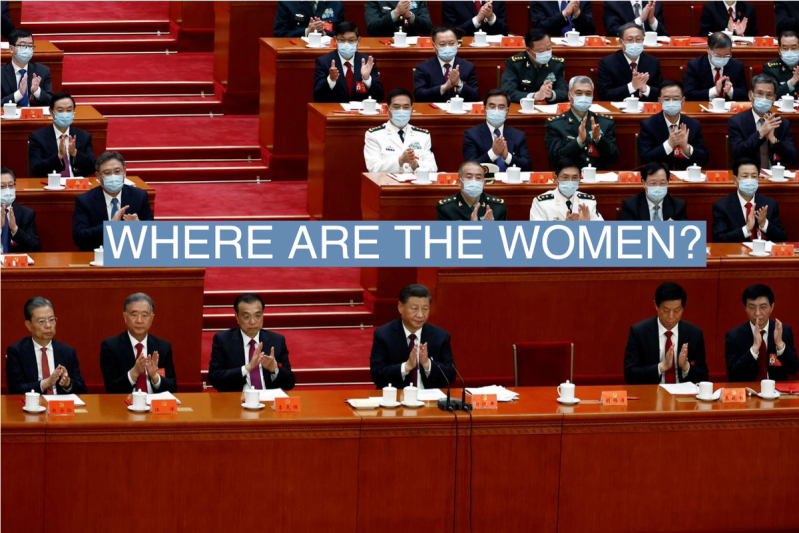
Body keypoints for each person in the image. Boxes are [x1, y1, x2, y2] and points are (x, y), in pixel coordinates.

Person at [370, 284, 456, 389]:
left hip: (429, 401)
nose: (420, 315)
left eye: (425, 309)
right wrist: (406, 367)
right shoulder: (384, 334)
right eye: (414, 308)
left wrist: (427, 364)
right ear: (400, 307)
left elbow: (451, 375)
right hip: (396, 399)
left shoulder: (440, 336)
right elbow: (377, 375)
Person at [624, 281, 709, 385]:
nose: (671, 316)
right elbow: (630, 374)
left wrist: (686, 366)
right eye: (666, 310)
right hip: (652, 394)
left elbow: (704, 376)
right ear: (656, 306)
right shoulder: (639, 332)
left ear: (683, 308)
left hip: (683, 396)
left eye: (677, 310)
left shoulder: (694, 333)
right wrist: (662, 366)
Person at [208, 293, 295, 392]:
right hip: (236, 400)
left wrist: (274, 368)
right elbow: (214, 378)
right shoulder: (223, 340)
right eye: (246, 317)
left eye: (258, 316)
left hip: (268, 400)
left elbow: (290, 383)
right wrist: (247, 368)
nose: (253, 321)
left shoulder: (276, 340)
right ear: (237, 317)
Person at [72, 151, 154, 251]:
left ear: (124, 171)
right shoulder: (85, 200)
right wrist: (110, 226)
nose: (113, 177)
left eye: (117, 171)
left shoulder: (139, 196)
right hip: (98, 257)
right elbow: (79, 238)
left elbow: (152, 235)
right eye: (107, 173)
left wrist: (138, 227)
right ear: (98, 176)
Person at [5, 296, 87, 395]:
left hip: (61, 407)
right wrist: (46, 383)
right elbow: (16, 389)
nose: (48, 325)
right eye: (41, 321)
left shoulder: (68, 351)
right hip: (32, 406)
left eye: (51, 319)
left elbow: (82, 390)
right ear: (29, 325)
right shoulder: (17, 351)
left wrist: (67, 383)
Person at [99, 293, 178, 394]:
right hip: (122, 406)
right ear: (125, 317)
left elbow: (172, 387)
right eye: (134, 315)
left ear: (152, 318)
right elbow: (112, 388)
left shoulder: (163, 346)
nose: (139, 321)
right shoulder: (110, 346)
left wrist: (155, 377)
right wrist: (134, 373)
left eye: (144, 315)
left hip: (155, 407)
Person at [726, 284, 799, 382]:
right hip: (748, 392)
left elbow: (793, 369)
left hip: (777, 392)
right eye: (752, 307)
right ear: (745, 308)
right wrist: (754, 349)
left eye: (763, 307)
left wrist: (780, 345)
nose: (757, 313)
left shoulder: (783, 330)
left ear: (772, 307)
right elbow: (733, 374)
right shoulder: (734, 336)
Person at [544, 76, 619, 169]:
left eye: (588, 93)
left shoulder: (605, 122)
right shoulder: (555, 124)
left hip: (596, 177)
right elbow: (556, 157)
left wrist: (599, 139)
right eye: (578, 93)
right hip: (570, 177)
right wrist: (579, 141)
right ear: (569, 95)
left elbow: (612, 158)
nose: (584, 97)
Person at [728, 74, 799, 169]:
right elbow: (738, 153)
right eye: (760, 93)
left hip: (775, 177)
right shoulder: (736, 121)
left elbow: (793, 159)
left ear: (774, 98)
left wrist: (774, 140)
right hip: (749, 175)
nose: (764, 98)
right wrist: (760, 133)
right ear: (750, 95)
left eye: (769, 95)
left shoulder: (782, 123)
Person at [637, 80, 709, 170]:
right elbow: (645, 158)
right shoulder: (648, 125)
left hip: (686, 177)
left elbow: (704, 159)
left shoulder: (693, 125)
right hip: (660, 176)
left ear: (682, 101)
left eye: (675, 99)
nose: (671, 103)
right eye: (666, 99)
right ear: (660, 101)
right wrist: (669, 144)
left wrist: (686, 148)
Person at [712, 158, 787, 242]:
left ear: (758, 179)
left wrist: (764, 224)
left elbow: (782, 238)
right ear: (735, 180)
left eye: (754, 176)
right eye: (745, 176)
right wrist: (746, 229)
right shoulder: (722, 206)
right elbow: (718, 240)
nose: (750, 180)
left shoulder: (769, 204)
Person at [364, 88, 437, 172]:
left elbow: (433, 168)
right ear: (387, 110)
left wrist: (416, 164)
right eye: (396, 107)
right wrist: (400, 161)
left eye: (406, 107)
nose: (401, 111)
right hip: (387, 183)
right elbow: (373, 168)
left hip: (415, 183)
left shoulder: (423, 135)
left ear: (412, 110)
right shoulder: (374, 135)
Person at [28, 92, 96, 178]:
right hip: (51, 185)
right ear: (51, 112)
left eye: (69, 110)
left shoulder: (83, 136)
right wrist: (58, 156)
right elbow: (36, 169)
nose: (65, 114)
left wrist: (75, 153)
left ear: (74, 112)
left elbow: (93, 166)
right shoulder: (38, 137)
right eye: (60, 110)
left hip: (76, 185)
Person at [313, 22, 384, 103]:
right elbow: (317, 97)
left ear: (358, 40)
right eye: (342, 40)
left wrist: (367, 78)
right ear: (335, 40)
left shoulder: (368, 62)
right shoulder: (324, 62)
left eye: (351, 40)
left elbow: (379, 96)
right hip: (335, 112)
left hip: (360, 113)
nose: (346, 44)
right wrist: (331, 80)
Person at [462, 89, 531, 170]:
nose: (496, 110)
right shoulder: (471, 135)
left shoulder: (519, 136)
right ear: (485, 110)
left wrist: (507, 157)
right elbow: (470, 168)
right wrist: (493, 153)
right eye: (492, 106)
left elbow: (527, 167)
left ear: (507, 111)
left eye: (501, 107)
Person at [597, 23, 663, 102]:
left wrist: (646, 89)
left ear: (643, 40)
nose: (634, 43)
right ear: (621, 42)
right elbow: (604, 94)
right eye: (630, 40)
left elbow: (662, 92)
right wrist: (632, 86)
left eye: (638, 39)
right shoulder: (608, 63)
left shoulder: (652, 62)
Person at [413, 25, 479, 102]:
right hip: (434, 112)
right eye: (442, 44)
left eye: (451, 43)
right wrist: (444, 88)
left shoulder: (468, 66)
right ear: (434, 46)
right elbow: (419, 96)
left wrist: (459, 84)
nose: (447, 47)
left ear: (457, 43)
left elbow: (475, 97)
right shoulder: (423, 67)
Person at [501, 28, 566, 104]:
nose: (546, 53)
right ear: (529, 50)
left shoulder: (556, 64)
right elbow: (508, 92)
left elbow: (564, 91)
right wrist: (534, 96)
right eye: (541, 51)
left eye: (548, 48)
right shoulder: (515, 63)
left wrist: (550, 94)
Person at [530, 157, 603, 220]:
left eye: (574, 177)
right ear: (556, 178)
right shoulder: (541, 203)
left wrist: (587, 225)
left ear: (580, 179)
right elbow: (538, 233)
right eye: (565, 177)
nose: (570, 181)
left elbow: (601, 232)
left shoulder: (588, 202)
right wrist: (565, 226)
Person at [683, 32, 747, 101]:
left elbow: (745, 93)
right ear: (708, 49)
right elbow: (689, 94)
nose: (722, 58)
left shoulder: (737, 66)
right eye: (718, 55)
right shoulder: (694, 66)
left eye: (726, 55)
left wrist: (730, 90)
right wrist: (714, 91)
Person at [437, 160, 507, 220]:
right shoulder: (446, 208)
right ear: (459, 182)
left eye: (478, 177)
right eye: (469, 177)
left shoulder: (497, 207)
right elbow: (444, 235)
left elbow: (504, 235)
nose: (474, 181)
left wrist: (490, 228)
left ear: (484, 183)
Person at [0, 29, 53, 107]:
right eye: (22, 45)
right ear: (11, 49)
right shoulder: (1, 73)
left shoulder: (43, 71)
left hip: (33, 116)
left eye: (30, 46)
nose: (27, 49)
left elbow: (52, 101)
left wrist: (37, 91)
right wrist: (19, 94)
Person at [620, 161, 688, 220]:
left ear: (667, 183)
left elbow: (684, 233)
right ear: (644, 183)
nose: (658, 187)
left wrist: (674, 229)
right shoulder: (630, 206)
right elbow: (627, 233)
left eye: (662, 183)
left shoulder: (678, 206)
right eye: (653, 183)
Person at [0, 166, 39, 252]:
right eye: (2, 186)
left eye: (10, 185)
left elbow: (35, 248)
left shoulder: (27, 214)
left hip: (15, 263)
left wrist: (15, 229)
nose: (7, 190)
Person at [273, 0, 344, 37]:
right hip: (297, 51)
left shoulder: (335, 2)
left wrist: (324, 33)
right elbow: (280, 33)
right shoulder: (287, 2)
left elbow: (341, 33)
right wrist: (307, 31)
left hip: (328, 53)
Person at [529, 0, 595, 37]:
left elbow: (591, 30)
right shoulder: (540, 1)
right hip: (551, 46)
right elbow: (539, 27)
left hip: (579, 47)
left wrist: (577, 13)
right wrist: (564, 14)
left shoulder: (582, 1)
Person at [763, 31, 799, 99]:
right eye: (785, 48)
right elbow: (770, 95)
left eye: (793, 48)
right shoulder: (770, 68)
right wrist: (792, 82)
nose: (789, 52)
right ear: (779, 51)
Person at [603, 0, 667, 38]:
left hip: (651, 51)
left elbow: (663, 34)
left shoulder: (654, 2)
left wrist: (652, 20)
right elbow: (613, 31)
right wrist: (640, 20)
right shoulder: (613, 3)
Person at [364, 0, 433, 36]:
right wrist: (395, 13)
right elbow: (372, 27)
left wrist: (411, 17)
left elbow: (427, 28)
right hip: (384, 44)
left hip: (411, 46)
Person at [442, 0, 508, 36]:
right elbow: (452, 32)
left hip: (494, 49)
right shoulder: (450, 1)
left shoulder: (497, 1)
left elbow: (505, 31)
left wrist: (491, 18)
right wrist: (477, 20)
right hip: (464, 49)